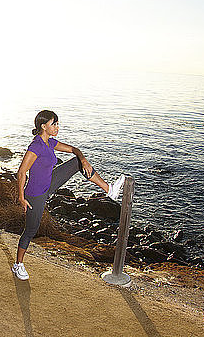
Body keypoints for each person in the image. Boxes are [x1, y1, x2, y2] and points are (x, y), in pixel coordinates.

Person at [11, 110, 125, 281]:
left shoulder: (49, 142)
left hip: (50, 183)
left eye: (57, 123)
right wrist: (21, 197)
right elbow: (21, 172)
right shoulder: (36, 146)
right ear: (43, 126)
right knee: (31, 230)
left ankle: (109, 190)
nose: (57, 127)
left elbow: (74, 149)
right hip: (35, 194)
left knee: (76, 162)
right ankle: (18, 264)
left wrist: (84, 160)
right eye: (53, 124)